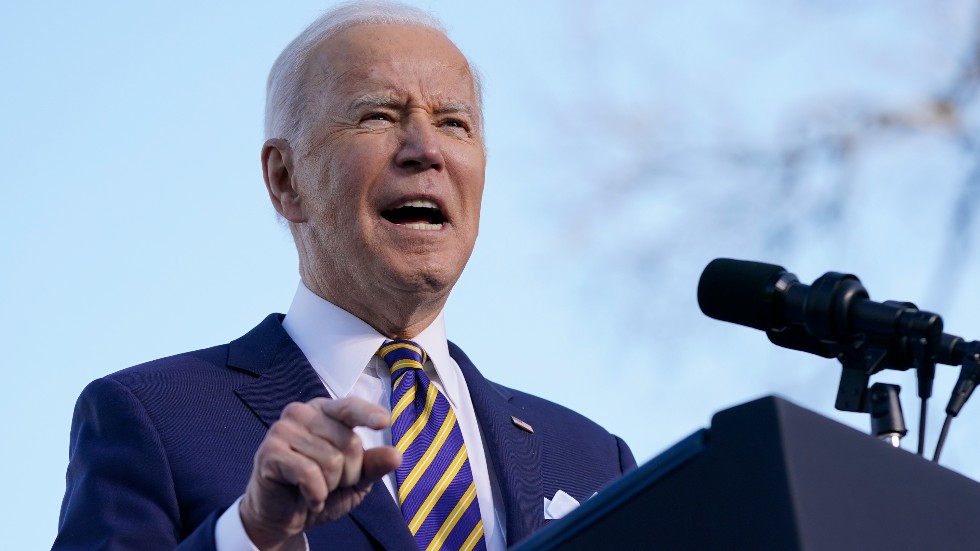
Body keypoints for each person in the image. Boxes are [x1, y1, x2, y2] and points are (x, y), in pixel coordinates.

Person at [54, 2, 635, 550]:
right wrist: (252, 533)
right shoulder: (155, 416)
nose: (426, 149)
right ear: (285, 180)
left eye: (454, 123)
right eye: (378, 115)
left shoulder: (593, 458)